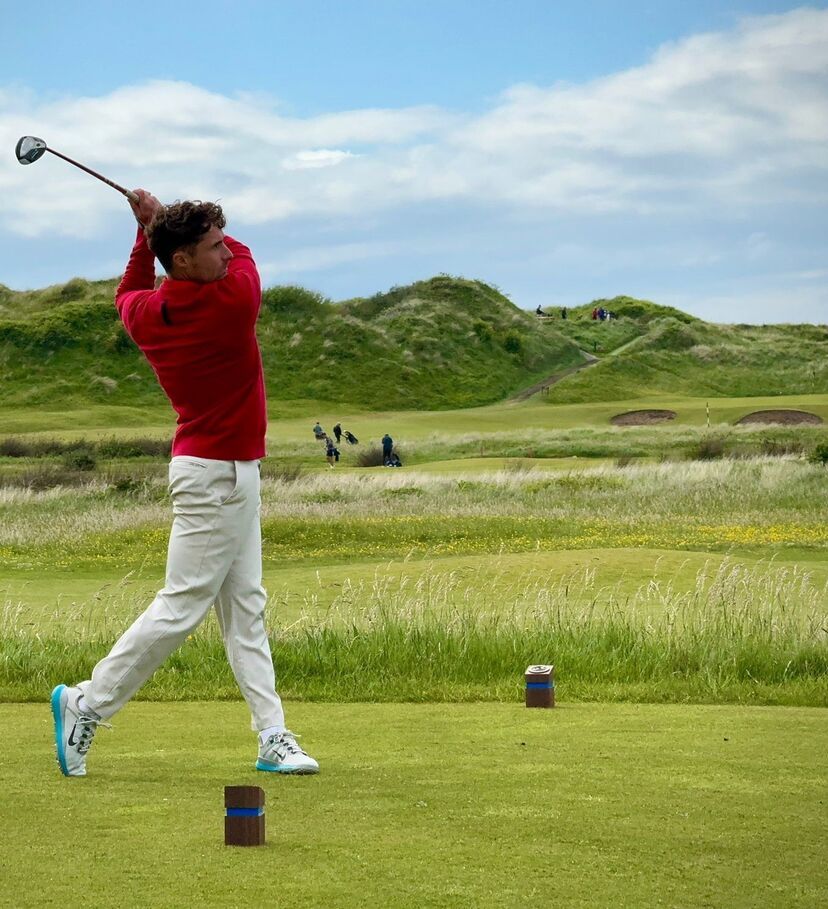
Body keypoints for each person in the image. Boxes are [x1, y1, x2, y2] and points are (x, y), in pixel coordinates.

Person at [50, 190, 318, 778]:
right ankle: (87, 703)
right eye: (212, 247)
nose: (226, 253)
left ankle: (272, 734)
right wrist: (156, 226)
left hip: (228, 470)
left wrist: (147, 234)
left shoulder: (147, 313)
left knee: (246, 608)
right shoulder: (232, 301)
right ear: (184, 261)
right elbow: (246, 258)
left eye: (222, 243)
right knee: (182, 606)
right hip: (214, 477)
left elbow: (126, 292)